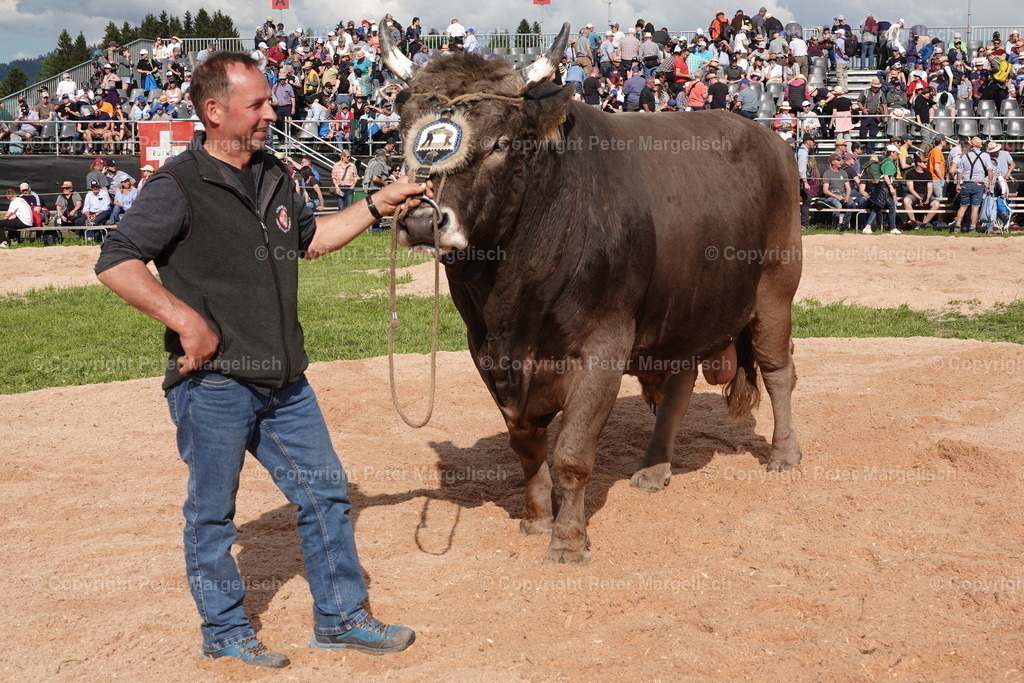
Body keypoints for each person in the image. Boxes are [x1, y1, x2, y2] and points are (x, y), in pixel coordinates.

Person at [94, 52, 429, 668]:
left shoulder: (274, 171)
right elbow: (116, 260)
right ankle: (224, 631)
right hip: (214, 386)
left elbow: (312, 240)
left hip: (285, 381)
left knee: (326, 494)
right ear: (214, 111)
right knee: (213, 516)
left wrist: (379, 203)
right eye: (258, 105)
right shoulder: (177, 185)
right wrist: (187, 322)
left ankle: (341, 619)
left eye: (270, 102)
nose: (272, 113)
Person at [952, 136, 996, 233]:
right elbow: (990, 171)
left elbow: (959, 172)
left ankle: (957, 226)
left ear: (971, 145)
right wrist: (989, 184)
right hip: (979, 184)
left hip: (966, 183)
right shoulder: (985, 156)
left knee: (963, 206)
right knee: (975, 207)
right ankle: (972, 228)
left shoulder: (965, 156)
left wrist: (958, 184)